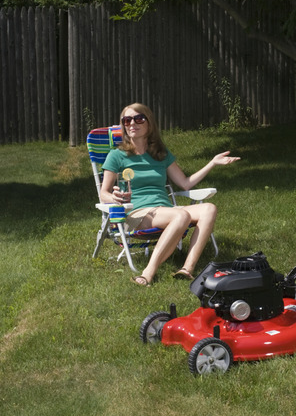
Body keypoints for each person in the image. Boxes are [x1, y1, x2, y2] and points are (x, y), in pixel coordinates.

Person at [99, 103, 240, 286]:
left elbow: (185, 183)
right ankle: (148, 273)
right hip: (137, 213)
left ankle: (187, 269)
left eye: (138, 118)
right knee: (180, 215)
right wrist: (114, 198)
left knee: (209, 209)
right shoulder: (117, 156)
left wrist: (212, 163)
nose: (132, 123)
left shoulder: (160, 154)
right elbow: (104, 193)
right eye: (127, 120)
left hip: (165, 211)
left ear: (149, 123)